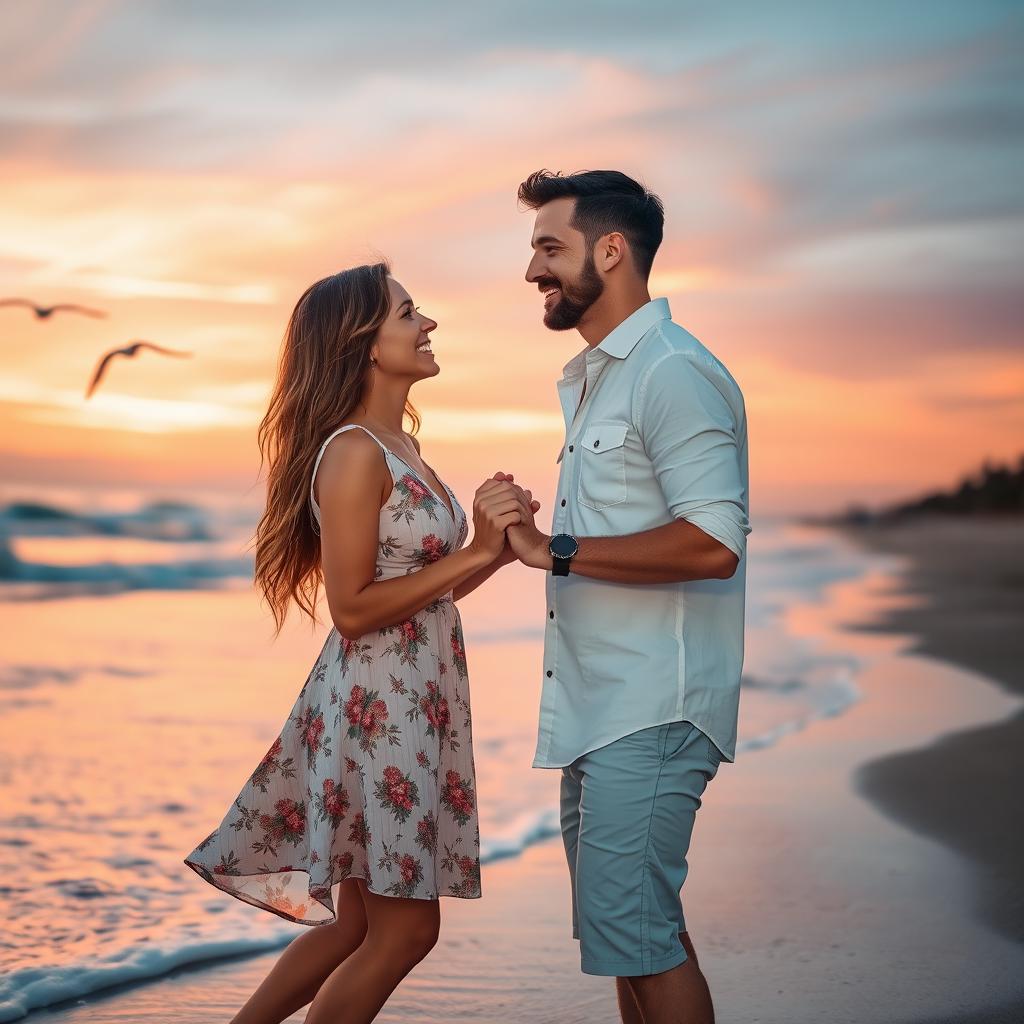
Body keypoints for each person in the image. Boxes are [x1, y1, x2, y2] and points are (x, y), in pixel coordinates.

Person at [183, 263, 539, 1024]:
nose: (428, 323)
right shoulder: (353, 452)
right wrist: (474, 553)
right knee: (406, 930)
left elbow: (420, 596)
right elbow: (352, 607)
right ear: (365, 344)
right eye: (409, 313)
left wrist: (493, 547)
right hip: (380, 708)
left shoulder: (400, 447)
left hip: (410, 698)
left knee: (356, 924)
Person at [498, 169, 751, 1024]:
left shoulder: (673, 370)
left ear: (612, 250)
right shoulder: (600, 376)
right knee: (626, 938)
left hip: (653, 705)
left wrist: (554, 548)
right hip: (602, 709)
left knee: (642, 936)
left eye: (548, 247)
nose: (532, 269)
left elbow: (714, 543)